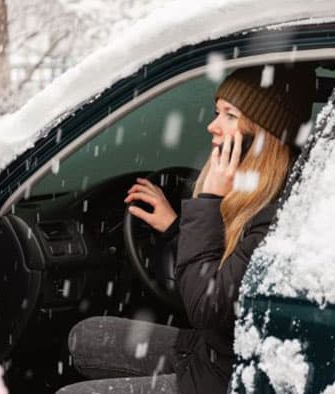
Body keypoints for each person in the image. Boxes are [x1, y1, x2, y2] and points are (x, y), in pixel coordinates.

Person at [58, 64, 316, 394]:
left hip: (225, 378)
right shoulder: (257, 195)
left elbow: (207, 307)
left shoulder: (274, 213)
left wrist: (208, 201)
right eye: (216, 112)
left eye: (230, 115)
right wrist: (174, 227)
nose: (213, 126)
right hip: (214, 352)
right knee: (87, 335)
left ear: (262, 132)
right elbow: (223, 275)